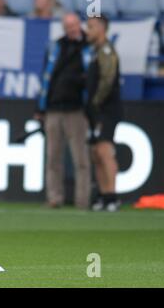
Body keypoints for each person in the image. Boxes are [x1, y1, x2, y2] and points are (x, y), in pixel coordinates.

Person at [36, 13, 92, 210]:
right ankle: (54, 198)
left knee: (81, 158)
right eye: (68, 26)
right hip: (54, 108)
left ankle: (82, 200)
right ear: (64, 27)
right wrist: (40, 107)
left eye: (74, 25)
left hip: (77, 110)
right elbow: (45, 78)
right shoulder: (56, 46)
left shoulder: (89, 46)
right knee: (53, 157)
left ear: (80, 25)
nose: (72, 29)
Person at [86, 15, 123, 212]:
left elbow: (107, 82)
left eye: (91, 27)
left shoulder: (107, 52)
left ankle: (112, 196)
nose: (87, 31)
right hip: (95, 110)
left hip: (105, 110)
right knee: (96, 153)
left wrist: (95, 104)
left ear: (101, 29)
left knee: (104, 151)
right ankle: (103, 193)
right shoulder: (95, 52)